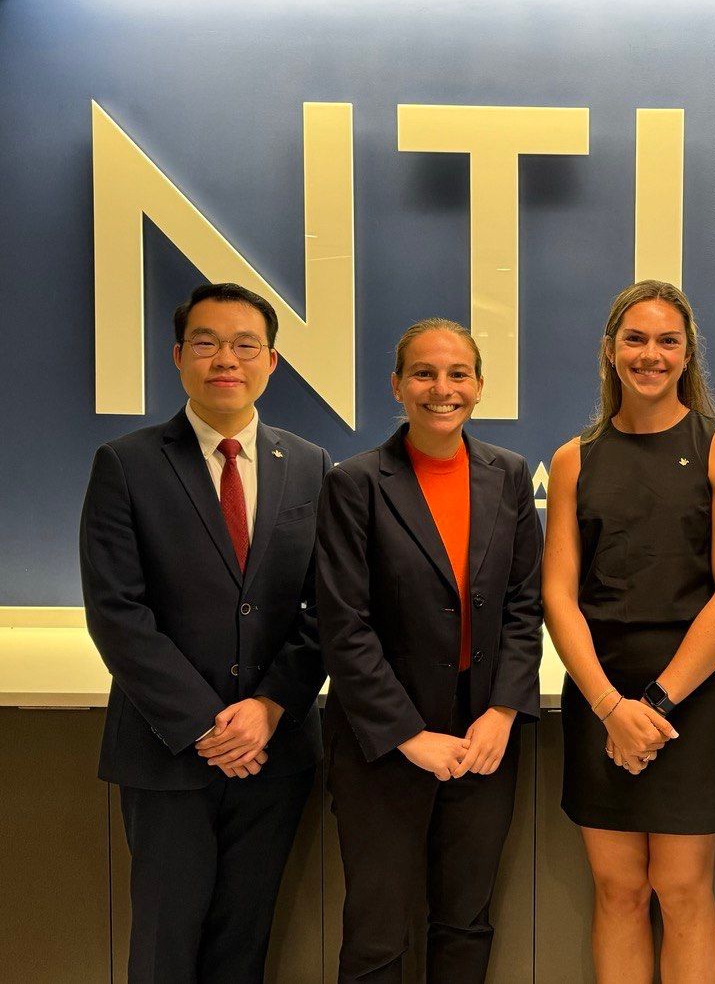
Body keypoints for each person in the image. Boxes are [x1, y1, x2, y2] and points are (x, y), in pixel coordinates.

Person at [80, 282, 329, 984]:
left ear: (271, 362)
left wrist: (270, 708)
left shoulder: (309, 466)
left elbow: (324, 608)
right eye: (208, 343)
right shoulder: (126, 464)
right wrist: (205, 726)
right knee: (164, 948)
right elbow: (117, 611)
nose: (228, 359)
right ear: (178, 356)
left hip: (274, 751)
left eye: (246, 345)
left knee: (242, 947)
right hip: (168, 755)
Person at [543, 280, 715, 984]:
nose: (650, 354)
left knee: (684, 890)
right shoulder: (576, 457)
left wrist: (655, 708)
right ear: (609, 351)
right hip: (601, 696)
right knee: (619, 891)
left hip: (687, 703)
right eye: (635, 339)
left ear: (687, 352)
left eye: (667, 340)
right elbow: (559, 595)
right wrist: (611, 707)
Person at [317, 318, 542, 984]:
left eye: (457, 374)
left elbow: (524, 608)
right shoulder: (356, 483)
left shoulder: (508, 477)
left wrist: (502, 711)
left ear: (478, 386)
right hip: (383, 748)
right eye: (424, 373)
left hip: (482, 741)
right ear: (397, 385)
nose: (441, 389)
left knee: (465, 926)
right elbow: (343, 624)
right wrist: (408, 734)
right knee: (378, 936)